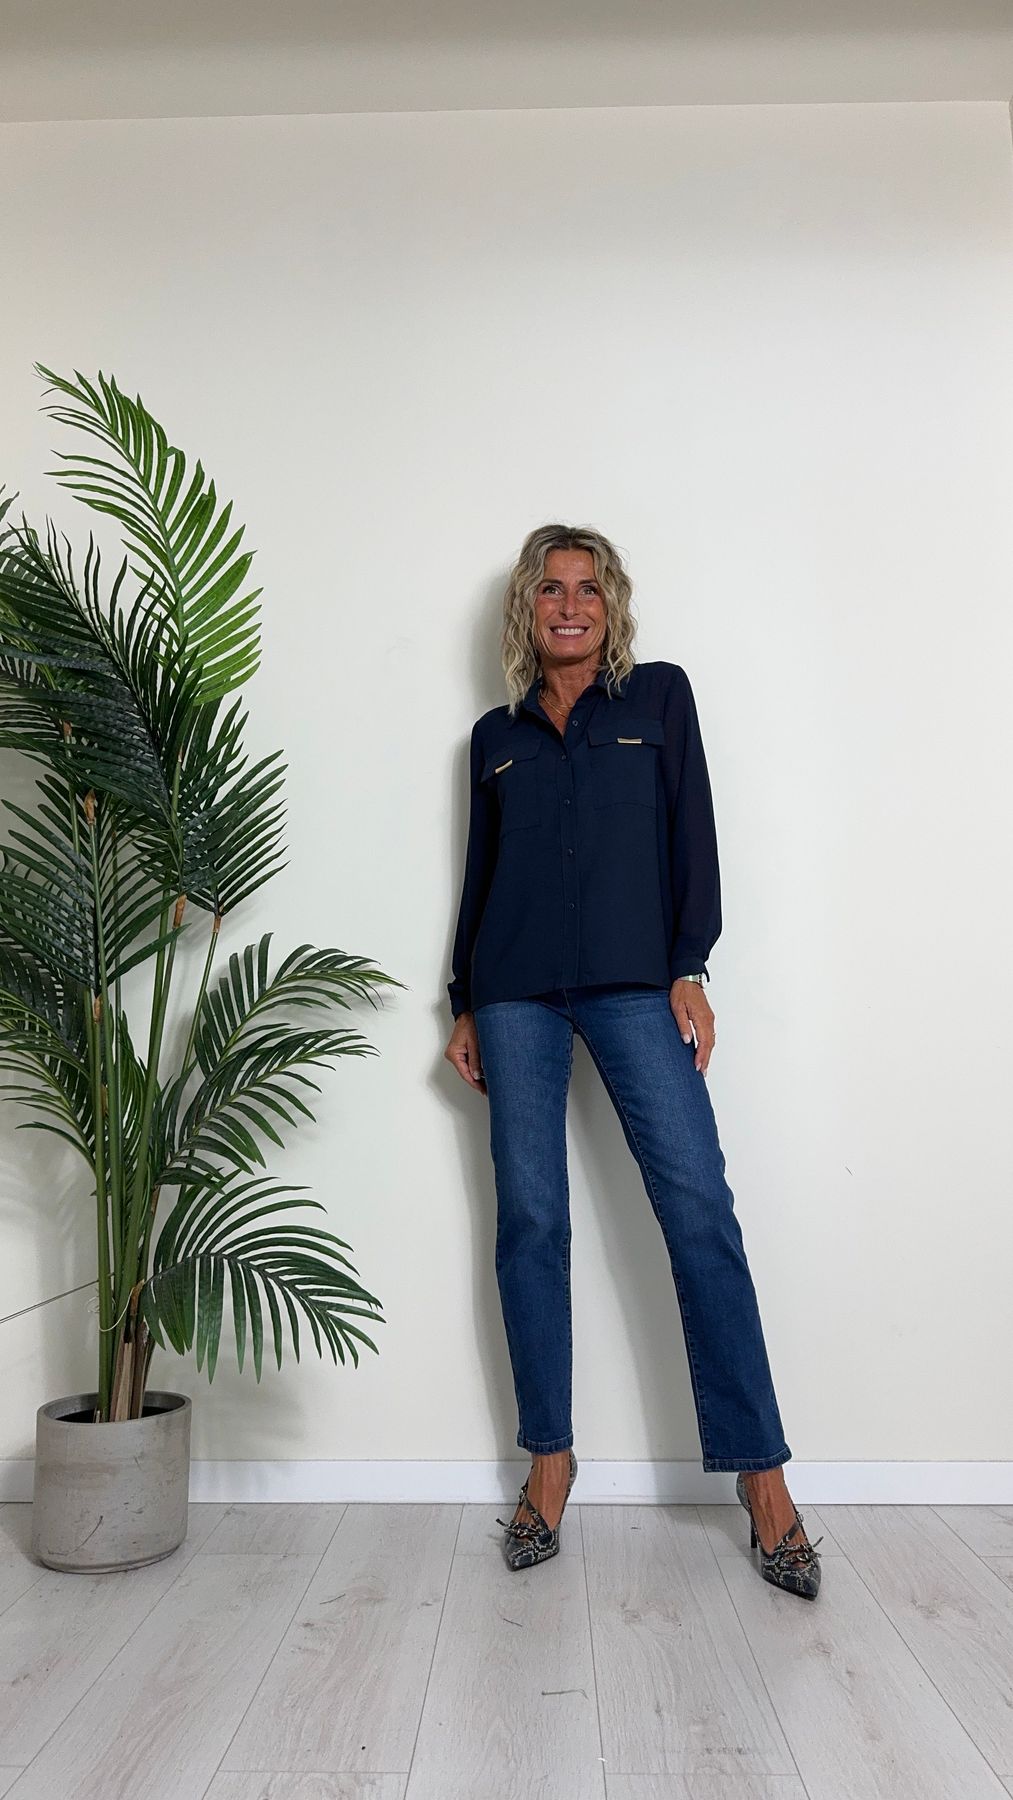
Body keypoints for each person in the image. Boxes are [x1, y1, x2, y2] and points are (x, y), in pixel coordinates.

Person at [443, 523, 822, 1601]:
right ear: (525, 609)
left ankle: (762, 1478)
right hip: (512, 990)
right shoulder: (493, 737)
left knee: (698, 1208)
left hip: (631, 982)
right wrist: (463, 997)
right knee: (530, 1221)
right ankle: (549, 1461)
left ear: (609, 607)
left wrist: (689, 964)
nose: (569, 606)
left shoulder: (657, 699)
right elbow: (480, 874)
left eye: (588, 590)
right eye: (550, 589)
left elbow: (691, 834)